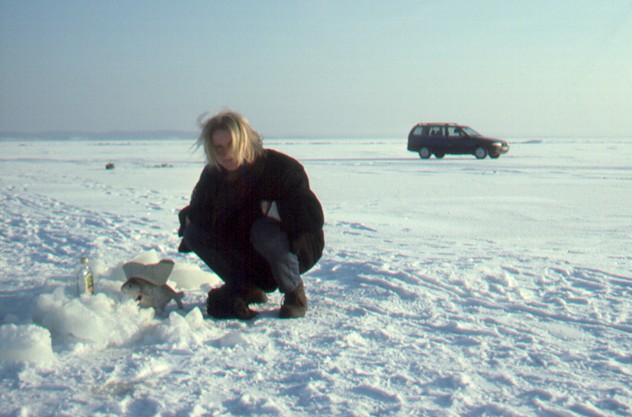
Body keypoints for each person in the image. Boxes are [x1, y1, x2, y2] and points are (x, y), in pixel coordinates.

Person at [177, 110, 324, 320]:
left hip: (292, 249)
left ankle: (293, 292)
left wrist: (271, 210)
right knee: (193, 233)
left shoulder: (281, 168)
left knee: (264, 230)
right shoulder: (213, 175)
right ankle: (247, 286)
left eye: (230, 145)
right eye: (218, 148)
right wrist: (189, 220)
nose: (225, 154)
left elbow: (313, 216)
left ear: (244, 140)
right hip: (249, 251)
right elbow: (200, 212)